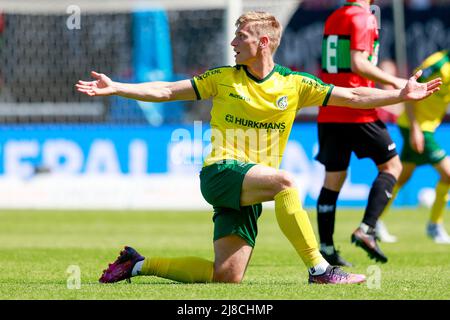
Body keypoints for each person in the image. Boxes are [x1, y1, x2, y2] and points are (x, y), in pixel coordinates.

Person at [76, 11, 440, 285]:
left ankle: (137, 264)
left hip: (249, 187)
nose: (233, 43)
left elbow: (356, 94)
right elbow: (167, 90)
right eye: (235, 36)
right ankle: (320, 269)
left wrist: (398, 94)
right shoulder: (221, 78)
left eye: (241, 36)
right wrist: (118, 87)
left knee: (226, 277)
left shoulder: (295, 84)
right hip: (220, 173)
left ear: (263, 42)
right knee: (285, 182)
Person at [316, 0, 412, 267]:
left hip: (330, 107)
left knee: (333, 180)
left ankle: (326, 249)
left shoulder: (335, 16)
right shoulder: (363, 17)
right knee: (392, 166)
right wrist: (394, 81)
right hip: (357, 108)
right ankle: (367, 229)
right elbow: (358, 63)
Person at [377, 50, 450, 244]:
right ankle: (434, 225)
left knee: (401, 177)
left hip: (426, 127)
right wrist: (416, 129)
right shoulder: (437, 64)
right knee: (448, 174)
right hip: (416, 126)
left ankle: (372, 221)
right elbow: (412, 89)